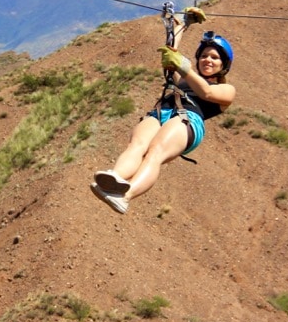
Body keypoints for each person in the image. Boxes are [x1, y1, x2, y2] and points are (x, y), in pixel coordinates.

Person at [91, 21, 236, 214]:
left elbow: (206, 92)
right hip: (162, 113)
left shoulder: (226, 90)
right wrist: (182, 23)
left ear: (223, 65)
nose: (207, 60)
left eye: (214, 57)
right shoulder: (184, 79)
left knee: (155, 152)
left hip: (188, 121)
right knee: (137, 145)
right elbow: (171, 52)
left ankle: (125, 197)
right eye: (203, 56)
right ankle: (114, 179)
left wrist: (184, 67)